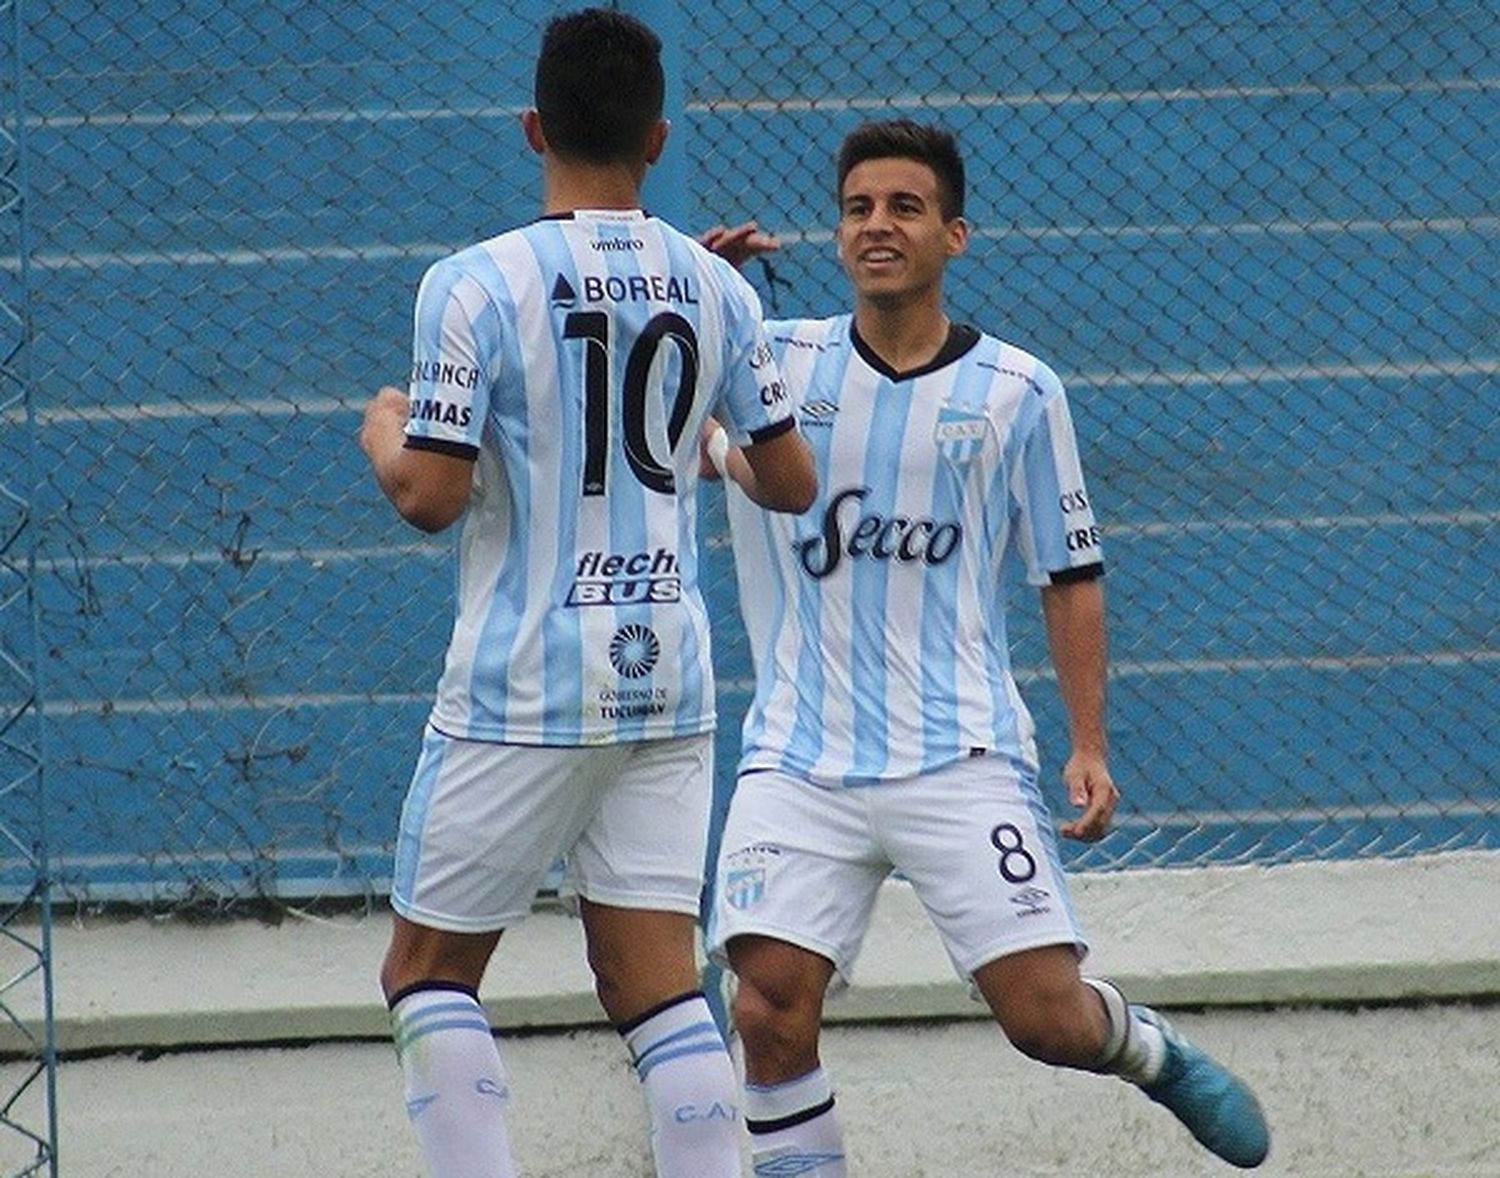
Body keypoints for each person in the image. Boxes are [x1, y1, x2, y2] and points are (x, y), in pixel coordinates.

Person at [702, 119, 1270, 1173]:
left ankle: (1150, 1050)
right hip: (797, 756)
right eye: (860, 207)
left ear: (954, 235)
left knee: (1046, 1019)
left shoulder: (1018, 390)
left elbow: (1069, 574)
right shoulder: (773, 365)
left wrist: (1088, 742)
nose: (879, 226)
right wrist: (696, 306)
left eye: (905, 207)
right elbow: (665, 426)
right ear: (838, 233)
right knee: (767, 1008)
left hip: (958, 753)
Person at [358, 10, 816, 1178]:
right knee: (659, 988)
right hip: (668, 676)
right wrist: (705, 398)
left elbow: (430, 497)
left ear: (530, 127)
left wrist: (382, 431)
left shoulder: (470, 283)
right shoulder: (716, 286)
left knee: (425, 973)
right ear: (657, 139)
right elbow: (789, 476)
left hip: (526, 682)